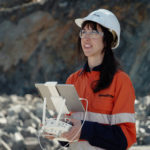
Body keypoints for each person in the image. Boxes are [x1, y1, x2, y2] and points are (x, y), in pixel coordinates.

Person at [61, 9, 136, 150]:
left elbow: (124, 139)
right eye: (83, 32)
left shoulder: (121, 81)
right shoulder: (72, 80)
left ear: (108, 39)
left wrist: (84, 129)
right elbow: (67, 138)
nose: (86, 38)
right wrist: (57, 130)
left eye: (94, 32)